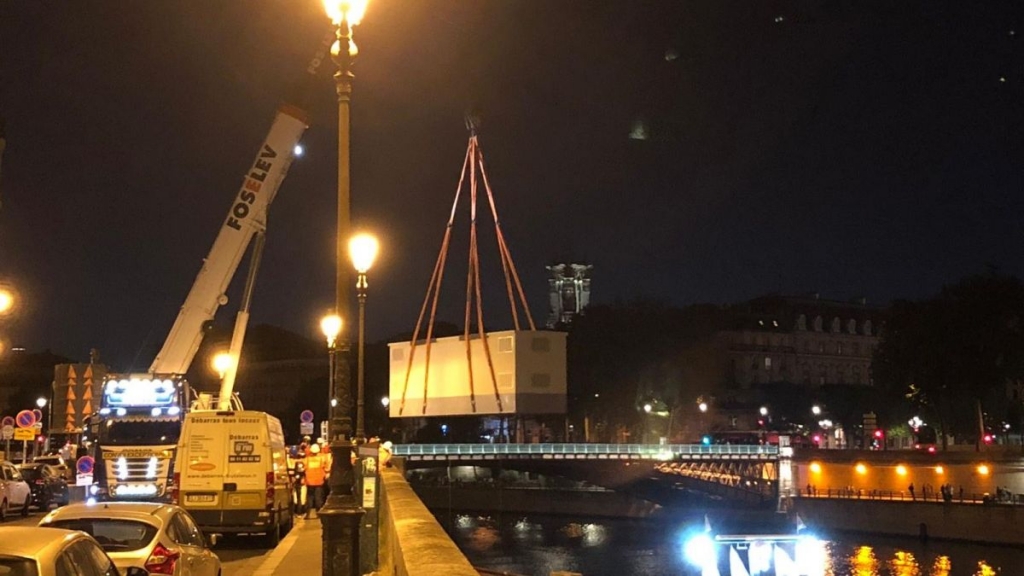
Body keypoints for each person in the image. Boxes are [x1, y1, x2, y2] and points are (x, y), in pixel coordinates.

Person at [304, 443, 328, 518]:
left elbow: (303, 468)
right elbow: (326, 468)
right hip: (319, 481)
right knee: (318, 498)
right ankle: (319, 514)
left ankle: (307, 514)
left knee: (309, 498)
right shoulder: (322, 459)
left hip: (309, 481)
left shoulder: (307, 459)